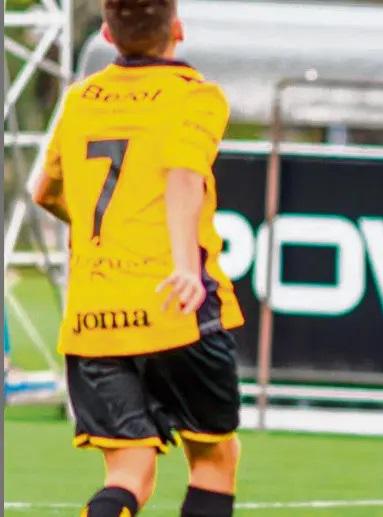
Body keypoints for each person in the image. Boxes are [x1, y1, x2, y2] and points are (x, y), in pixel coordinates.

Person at [32, 1, 244, 515]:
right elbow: (182, 176)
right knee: (214, 458)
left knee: (130, 475)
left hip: (93, 315)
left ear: (106, 33)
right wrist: (183, 266)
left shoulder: (81, 99)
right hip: (176, 307)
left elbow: (45, 191)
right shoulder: (197, 96)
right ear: (178, 29)